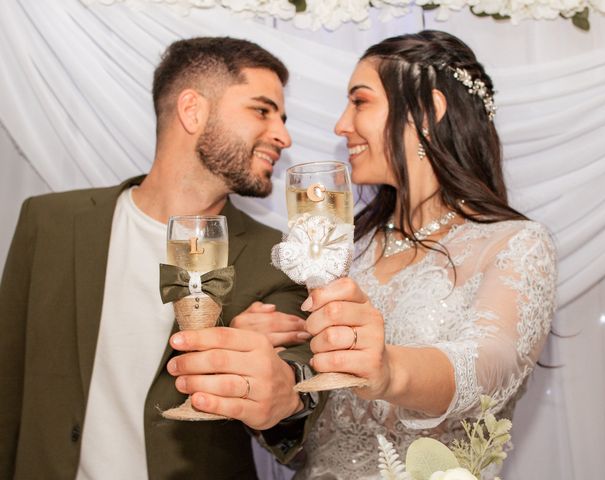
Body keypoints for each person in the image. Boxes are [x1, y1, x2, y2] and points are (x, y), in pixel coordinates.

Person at [0, 37, 321, 479]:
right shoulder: (49, 222)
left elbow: (294, 400)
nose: (283, 135)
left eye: (282, 118)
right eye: (262, 110)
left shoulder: (279, 255)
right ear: (193, 110)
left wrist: (270, 378)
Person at [294, 30, 557, 479]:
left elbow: (489, 368)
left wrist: (390, 370)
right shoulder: (344, 248)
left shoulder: (516, 244)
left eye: (360, 102)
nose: (341, 124)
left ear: (429, 112)